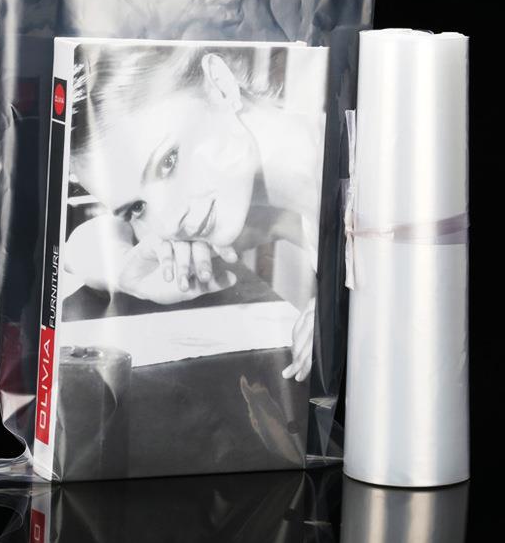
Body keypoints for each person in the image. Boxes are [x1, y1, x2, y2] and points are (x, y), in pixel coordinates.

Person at [64, 44, 324, 381]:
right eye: (138, 208)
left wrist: (353, 313)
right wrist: (128, 273)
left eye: (167, 162)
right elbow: (79, 247)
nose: (168, 221)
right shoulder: (257, 207)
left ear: (220, 86)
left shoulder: (369, 174)